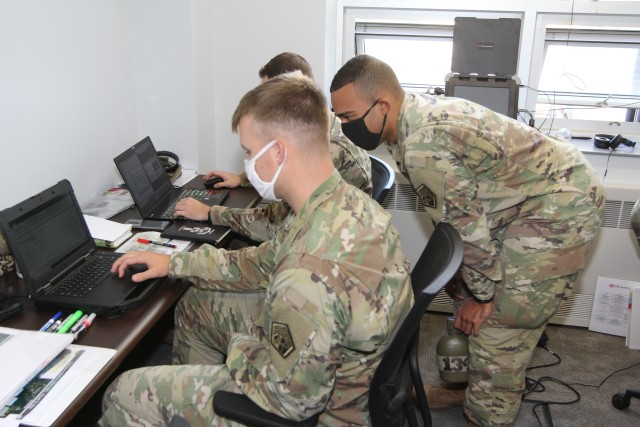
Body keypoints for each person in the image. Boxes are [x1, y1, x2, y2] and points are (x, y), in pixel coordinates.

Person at [99, 73, 413, 426]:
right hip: (348, 366)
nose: (246, 163)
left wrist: (240, 346)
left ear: (277, 152)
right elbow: (264, 261)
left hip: (323, 410)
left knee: (123, 392)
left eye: (249, 152)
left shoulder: (307, 269)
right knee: (197, 304)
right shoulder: (344, 202)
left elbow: (293, 403)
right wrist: (174, 262)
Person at [329, 54, 605, 426]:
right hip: (520, 201)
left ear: (382, 105)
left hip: (561, 203)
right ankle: (466, 388)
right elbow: (459, 215)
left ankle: (488, 413)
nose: (345, 127)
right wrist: (467, 289)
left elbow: (464, 228)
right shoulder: (403, 126)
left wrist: (484, 296)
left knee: (501, 323)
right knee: (466, 296)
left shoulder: (423, 141)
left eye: (348, 117)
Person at [175, 52, 372, 242]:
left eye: (270, 95)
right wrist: (244, 179)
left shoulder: (331, 153)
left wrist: (210, 213)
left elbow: (276, 228)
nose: (263, 105)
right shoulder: (323, 134)